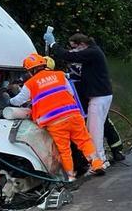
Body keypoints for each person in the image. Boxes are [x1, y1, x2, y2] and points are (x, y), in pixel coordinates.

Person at [10, 53, 106, 182]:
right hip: (73, 115)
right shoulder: (60, 75)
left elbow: (18, 101)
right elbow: (70, 93)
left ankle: (71, 176)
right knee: (84, 141)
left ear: (31, 70)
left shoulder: (30, 84)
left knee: (64, 149)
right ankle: (97, 164)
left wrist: (8, 99)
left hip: (55, 121)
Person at [46, 30, 115, 165]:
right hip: (101, 95)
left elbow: (69, 56)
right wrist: (67, 76)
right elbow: (85, 73)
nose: (73, 50)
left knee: (95, 131)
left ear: (82, 44)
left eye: (74, 47)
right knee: (94, 128)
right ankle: (100, 159)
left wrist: (53, 44)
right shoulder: (93, 52)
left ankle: (99, 162)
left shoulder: (92, 52)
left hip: (99, 97)